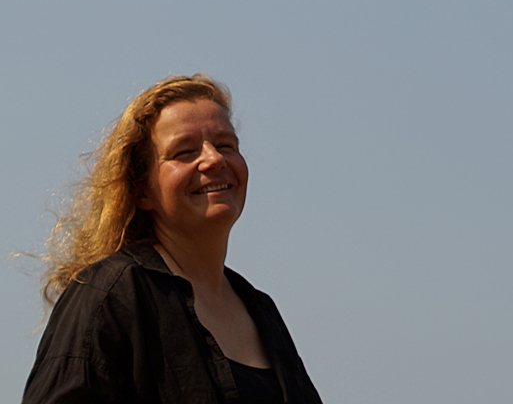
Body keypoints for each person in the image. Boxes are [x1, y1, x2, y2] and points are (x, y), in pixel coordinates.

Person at [24, 74, 323, 403]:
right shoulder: (111, 293)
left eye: (226, 145)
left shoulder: (261, 310)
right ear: (142, 192)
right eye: (184, 152)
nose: (214, 159)